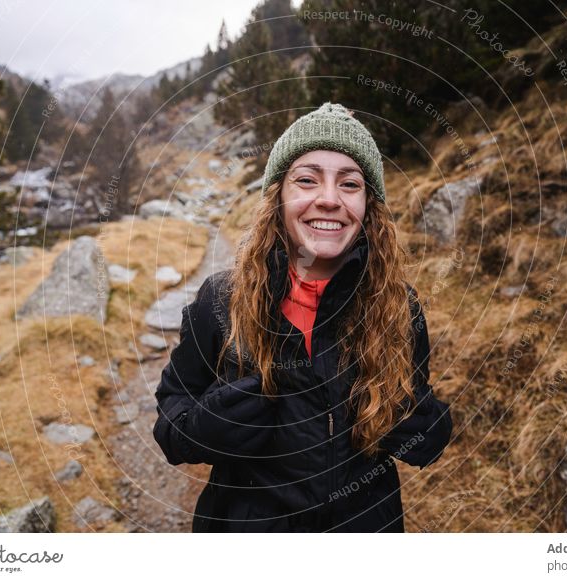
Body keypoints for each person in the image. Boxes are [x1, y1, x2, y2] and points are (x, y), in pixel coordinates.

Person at [153, 102, 453, 532]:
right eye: (307, 180)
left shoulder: (399, 307)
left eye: (350, 184)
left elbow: (414, 398)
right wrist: (205, 426)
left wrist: (431, 429)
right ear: (279, 196)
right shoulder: (221, 300)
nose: (329, 199)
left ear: (368, 205)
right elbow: (171, 416)